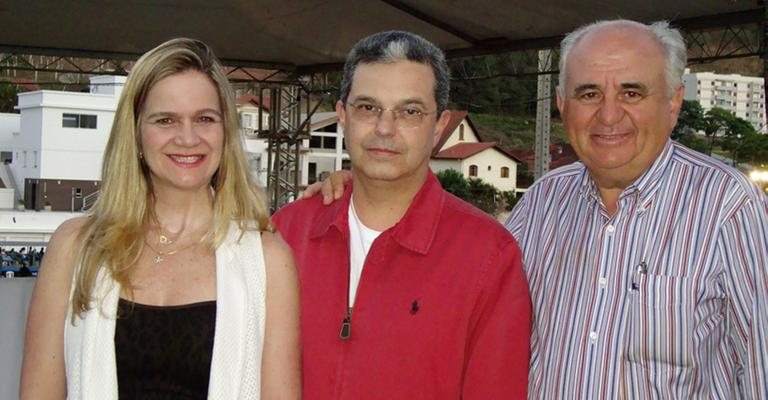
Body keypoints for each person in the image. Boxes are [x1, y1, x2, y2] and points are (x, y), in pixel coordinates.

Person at [307, 19, 768, 399]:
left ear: (672, 102)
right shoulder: (545, 202)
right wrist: (365, 185)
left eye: (631, 93)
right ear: (563, 106)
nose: (609, 115)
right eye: (589, 94)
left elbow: (759, 371)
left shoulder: (728, 207)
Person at [20, 38, 300, 399]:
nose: (188, 138)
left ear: (225, 131)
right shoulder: (75, 248)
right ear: (135, 133)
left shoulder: (267, 259)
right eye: (165, 120)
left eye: (205, 119)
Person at [272, 31, 531, 399]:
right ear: (343, 115)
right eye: (368, 107)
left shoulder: (488, 256)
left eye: (409, 112)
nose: (384, 129)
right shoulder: (286, 233)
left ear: (440, 125)